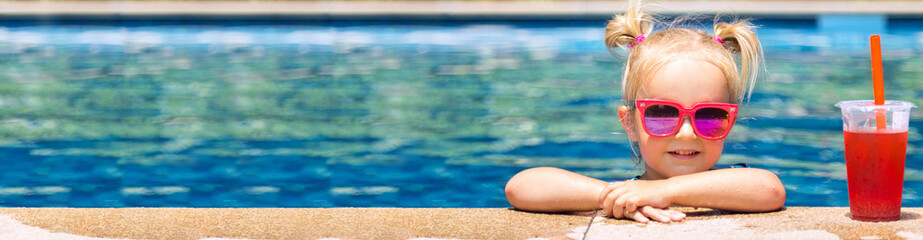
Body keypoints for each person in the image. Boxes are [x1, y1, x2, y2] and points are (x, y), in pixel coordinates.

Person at [504, 0, 786, 224]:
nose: (686, 133)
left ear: (730, 122)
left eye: (710, 115)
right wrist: (609, 195)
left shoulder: (737, 183)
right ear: (630, 123)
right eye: (662, 113)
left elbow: (770, 190)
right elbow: (520, 186)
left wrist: (665, 191)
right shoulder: (626, 193)